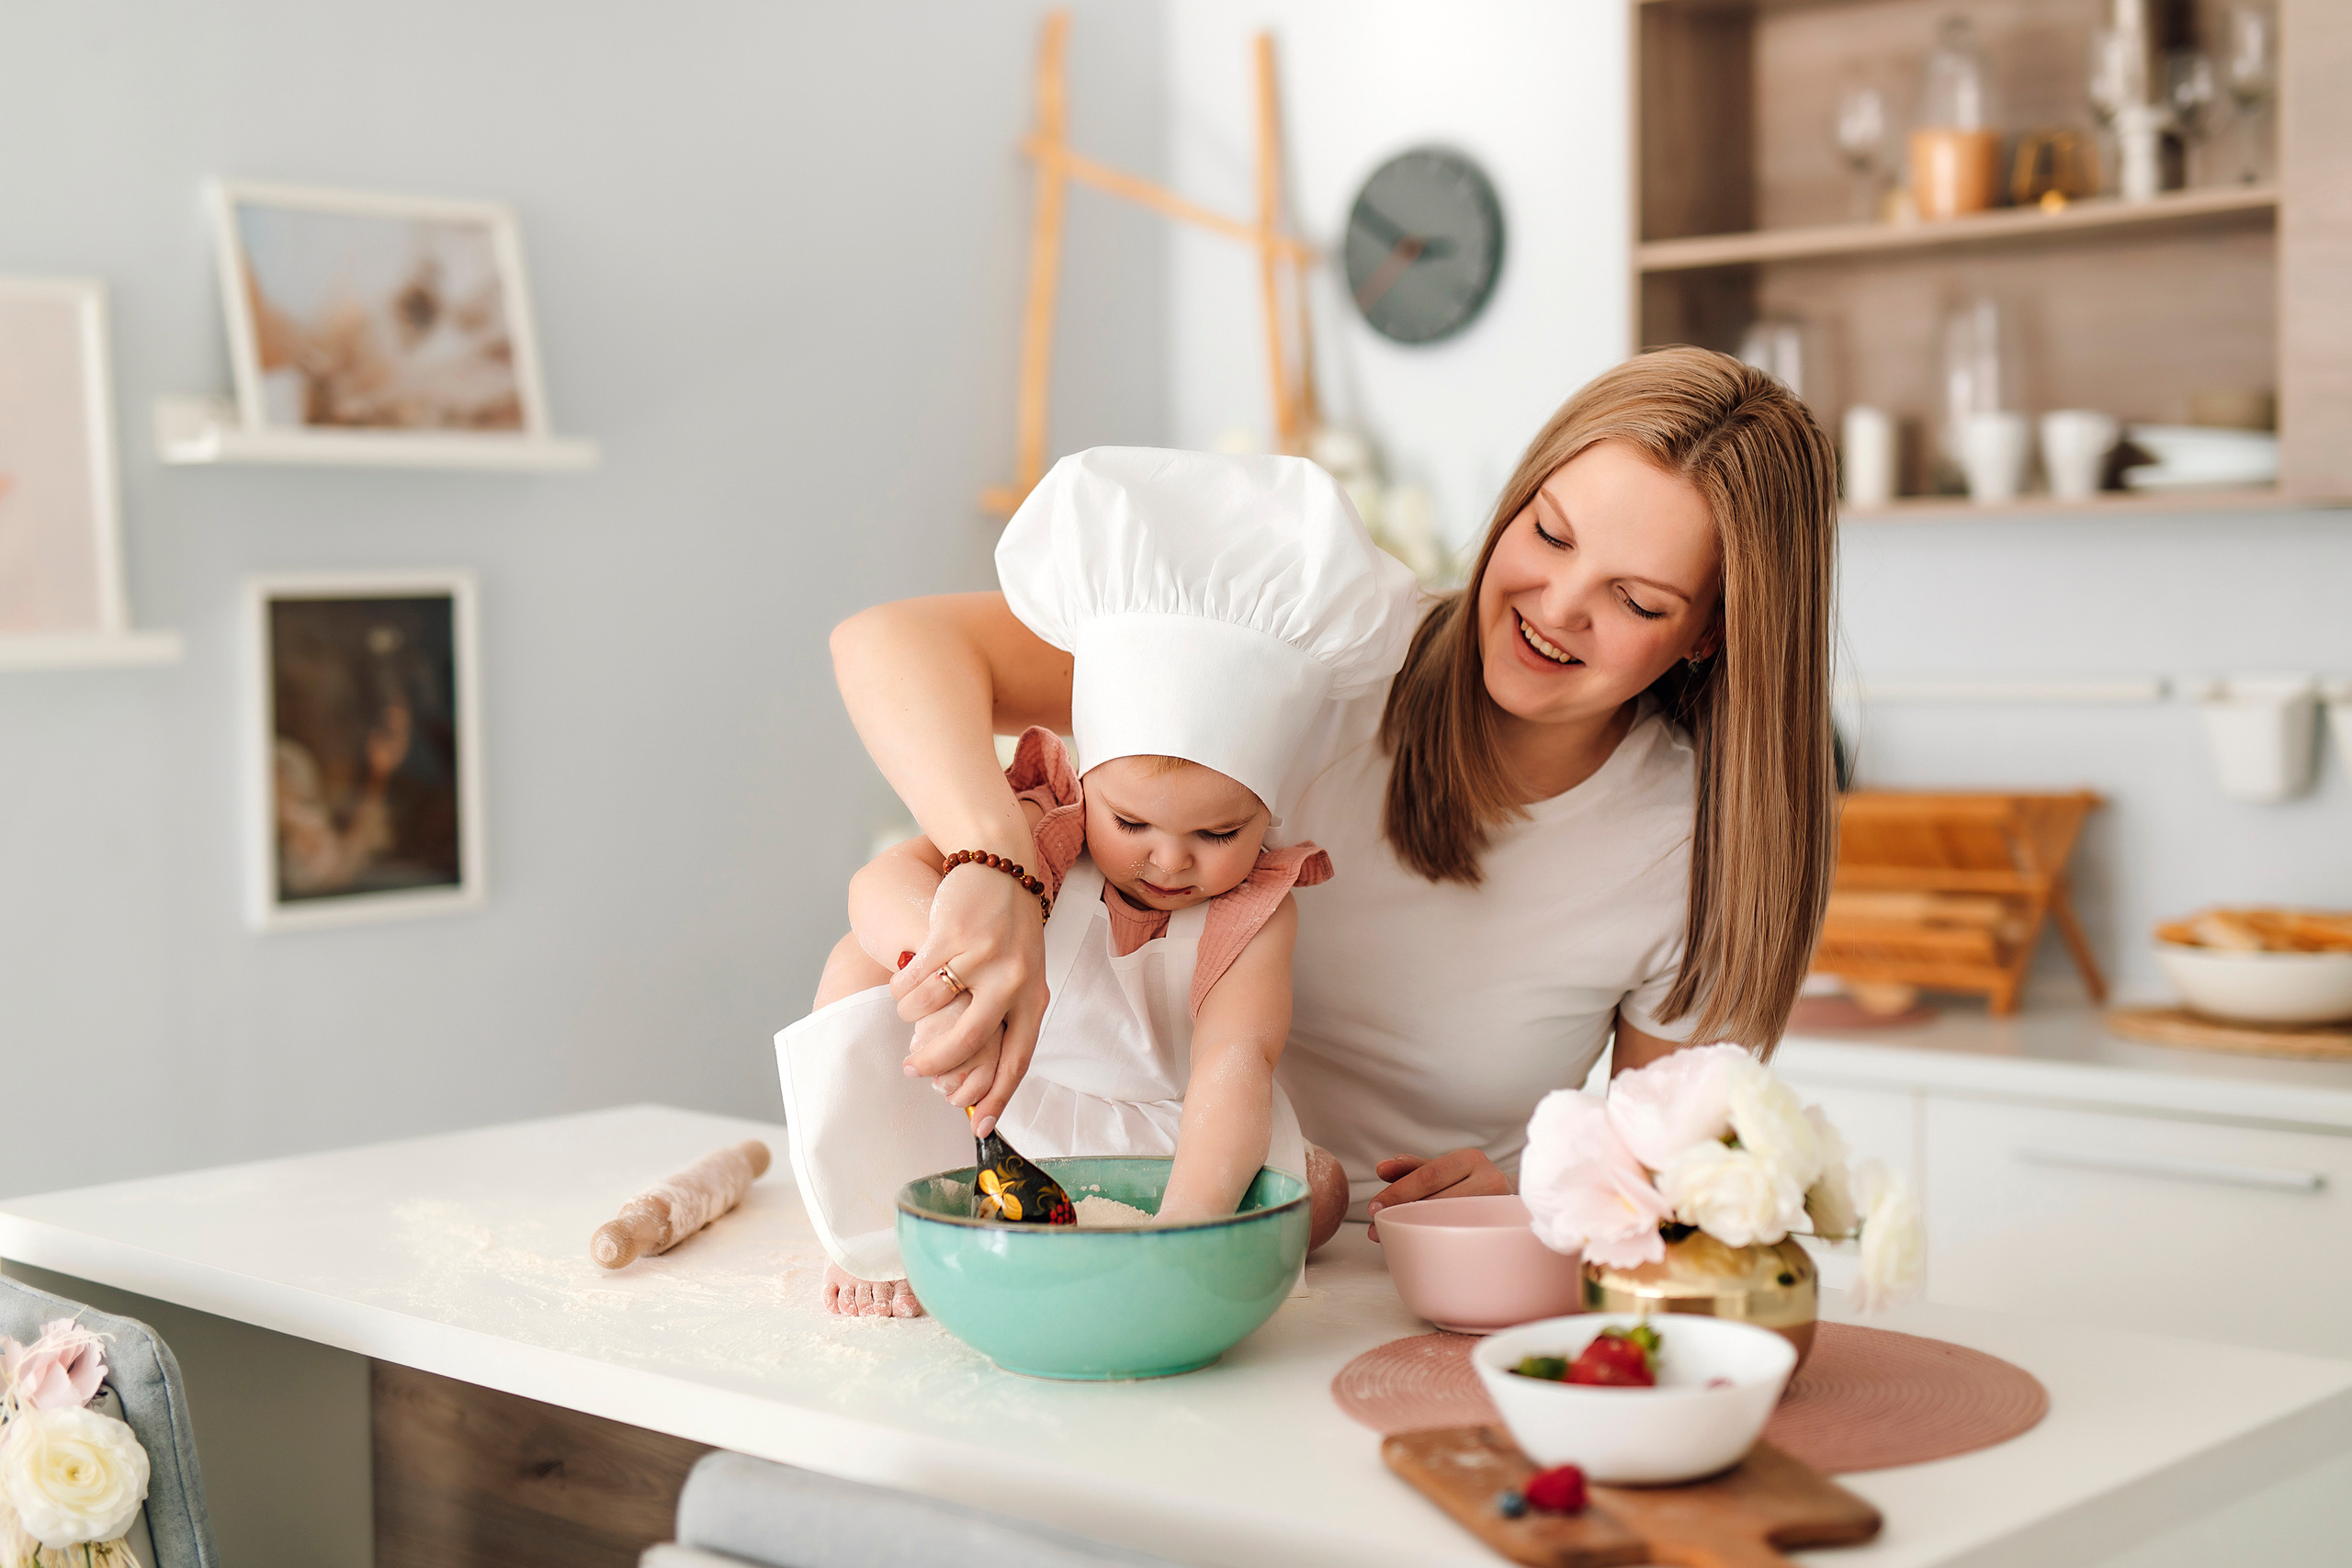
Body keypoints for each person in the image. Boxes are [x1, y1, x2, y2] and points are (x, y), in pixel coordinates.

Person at [830, 346, 1838, 1248]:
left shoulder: (1688, 849)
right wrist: (993, 859)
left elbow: (1666, 1192)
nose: (1556, 607)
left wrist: (1539, 1203)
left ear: (1708, 632)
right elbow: (890, 643)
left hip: (1403, 1280)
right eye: (1549, 533)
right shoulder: (1317, 662)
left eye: (1636, 600)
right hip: (1112, 1219)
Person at [780, 447, 1418, 1316]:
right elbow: (880, 882)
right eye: (1132, 824)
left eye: (1218, 832)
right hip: (1006, 1112)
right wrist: (938, 965)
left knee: (1323, 1192)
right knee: (853, 962)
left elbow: (1236, 1060)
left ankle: (1130, 1227)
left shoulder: (1256, 908)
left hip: (1164, 1140)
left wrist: (1186, 1231)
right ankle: (873, 1233)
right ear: (1082, 783)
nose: (1169, 858)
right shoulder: (1043, 831)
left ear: (1268, 818)